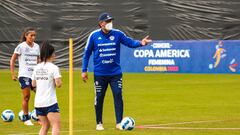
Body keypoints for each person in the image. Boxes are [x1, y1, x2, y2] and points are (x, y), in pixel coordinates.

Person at [81, 12, 152, 130]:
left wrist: (141, 43)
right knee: (99, 97)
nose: (110, 23)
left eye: (111, 21)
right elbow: (87, 53)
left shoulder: (118, 34)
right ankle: (99, 123)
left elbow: (129, 42)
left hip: (115, 73)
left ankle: (119, 122)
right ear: (101, 23)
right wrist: (84, 70)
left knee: (118, 95)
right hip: (100, 74)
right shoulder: (93, 36)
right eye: (107, 21)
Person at [10, 27, 40, 126]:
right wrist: (13, 74)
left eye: (34, 35)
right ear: (26, 36)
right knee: (27, 96)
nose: (33, 37)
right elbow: (12, 60)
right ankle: (26, 118)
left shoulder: (37, 46)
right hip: (24, 75)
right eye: (31, 35)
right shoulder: (21, 46)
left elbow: (38, 61)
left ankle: (40, 117)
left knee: (40, 95)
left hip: (34, 75)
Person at [31, 41, 62, 135]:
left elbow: (33, 84)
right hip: (50, 102)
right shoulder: (54, 68)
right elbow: (58, 84)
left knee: (45, 126)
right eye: (54, 53)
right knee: (56, 126)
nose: (55, 55)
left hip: (38, 103)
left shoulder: (36, 67)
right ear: (51, 54)